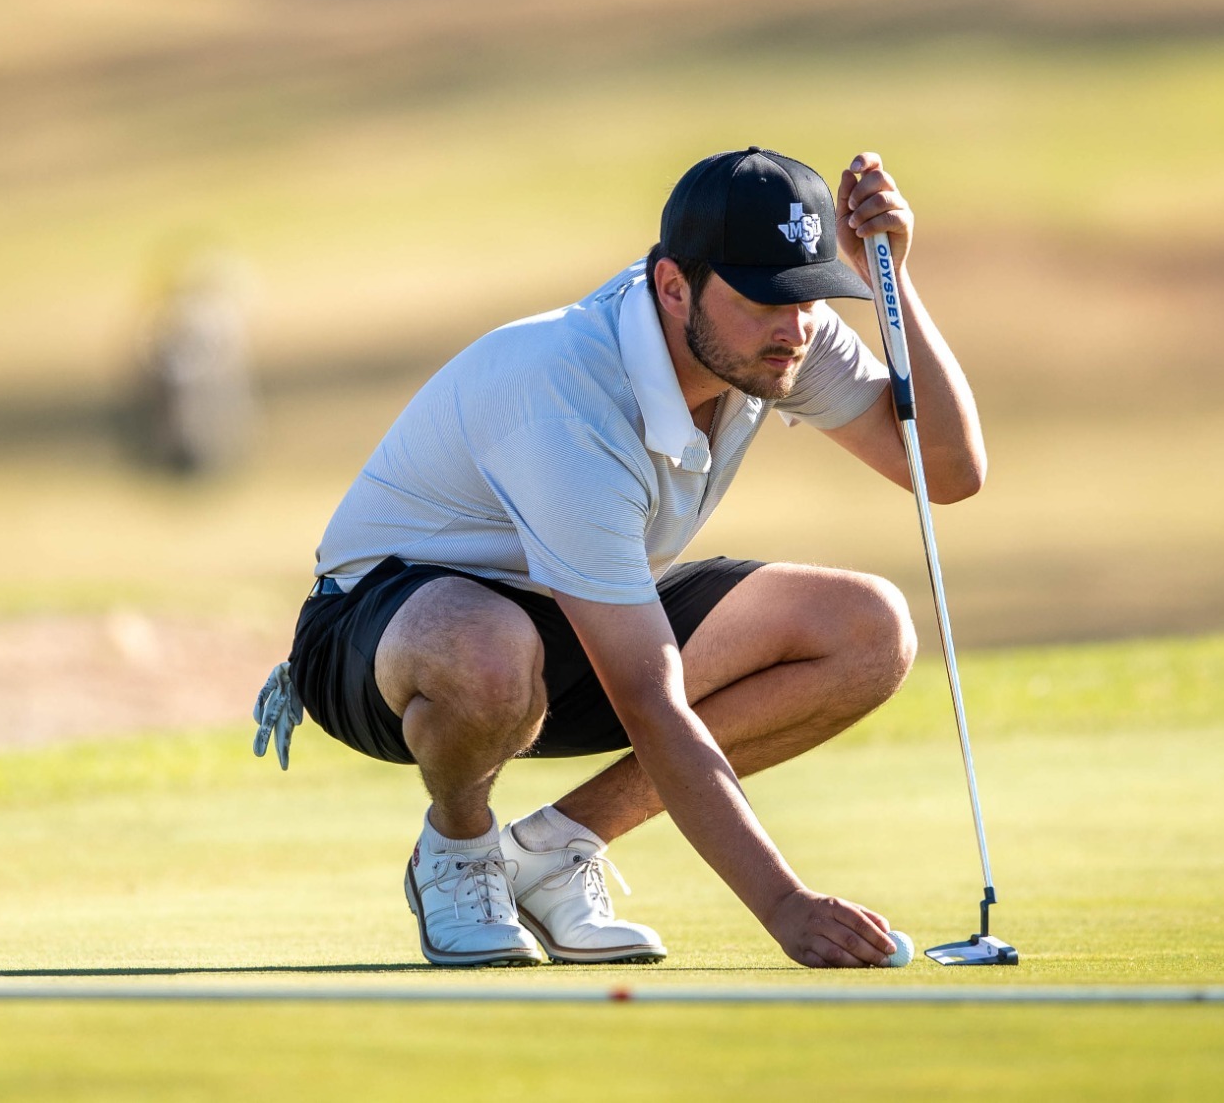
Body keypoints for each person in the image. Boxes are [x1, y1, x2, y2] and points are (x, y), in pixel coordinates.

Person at [251, 147, 985, 968]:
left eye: (812, 295)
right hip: (381, 638)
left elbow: (948, 472)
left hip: (565, 622)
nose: (796, 326)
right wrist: (784, 906)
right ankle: (458, 852)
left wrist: (894, 281)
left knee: (868, 630)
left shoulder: (778, 340)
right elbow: (646, 696)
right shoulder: (567, 392)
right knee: (490, 650)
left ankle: (555, 851)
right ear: (674, 287)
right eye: (766, 298)